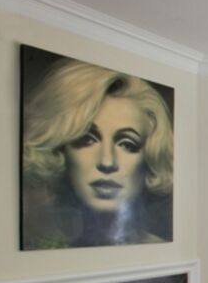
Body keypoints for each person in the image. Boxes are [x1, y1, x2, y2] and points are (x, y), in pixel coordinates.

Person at [21, 57, 173, 248]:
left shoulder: (158, 246)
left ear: (149, 157)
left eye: (127, 144)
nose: (107, 162)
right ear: (59, 150)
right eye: (87, 139)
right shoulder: (39, 245)